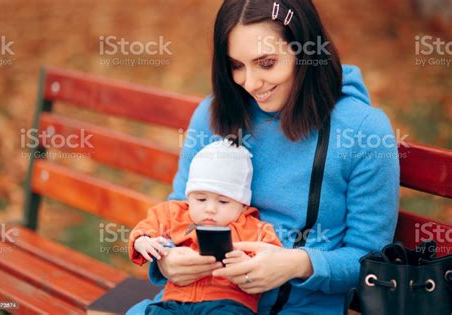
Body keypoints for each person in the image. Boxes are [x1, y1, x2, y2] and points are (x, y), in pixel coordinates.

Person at [127, 0, 399, 314]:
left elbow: (371, 260)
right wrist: (167, 260)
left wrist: (299, 264)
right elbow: (180, 210)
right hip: (198, 301)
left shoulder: (363, 131)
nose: (251, 83)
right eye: (237, 66)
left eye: (267, 63)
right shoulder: (214, 115)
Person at [128, 140, 282, 314]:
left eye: (223, 201)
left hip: (227, 303)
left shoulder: (255, 228)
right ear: (189, 198)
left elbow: (272, 260)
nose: (210, 209)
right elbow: (147, 228)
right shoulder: (175, 214)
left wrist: (248, 264)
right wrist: (143, 241)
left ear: (243, 205)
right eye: (200, 199)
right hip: (175, 300)